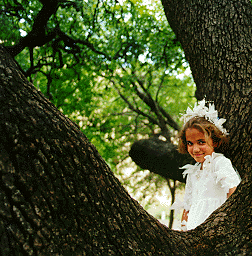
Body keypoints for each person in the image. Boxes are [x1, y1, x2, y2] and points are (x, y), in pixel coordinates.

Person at [171, 99, 241, 231]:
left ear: (215, 142)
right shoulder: (193, 172)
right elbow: (188, 205)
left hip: (216, 226)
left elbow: (233, 191)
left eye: (201, 142)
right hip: (194, 227)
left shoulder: (219, 162)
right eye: (190, 143)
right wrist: (183, 230)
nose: (195, 149)